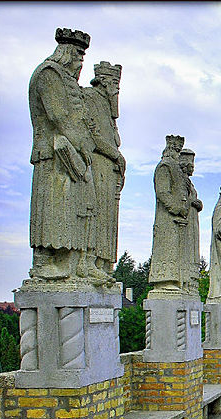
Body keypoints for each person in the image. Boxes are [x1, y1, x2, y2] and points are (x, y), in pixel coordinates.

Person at [28, 27, 101, 282]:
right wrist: (82, 144)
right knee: (55, 209)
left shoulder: (68, 79)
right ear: (67, 51)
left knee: (79, 210)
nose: (81, 61)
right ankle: (46, 261)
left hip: (75, 155)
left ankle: (77, 261)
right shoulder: (49, 73)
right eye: (79, 55)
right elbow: (59, 116)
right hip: (55, 154)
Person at [83, 60, 124, 279]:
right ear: (104, 81)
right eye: (115, 85)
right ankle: (89, 260)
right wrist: (115, 154)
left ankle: (103, 263)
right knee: (94, 213)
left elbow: (114, 139)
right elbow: (92, 135)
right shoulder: (89, 97)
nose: (117, 91)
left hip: (108, 172)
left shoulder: (108, 110)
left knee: (107, 218)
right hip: (96, 166)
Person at [148, 135, 188, 292]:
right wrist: (177, 208)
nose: (177, 154)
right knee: (166, 249)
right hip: (167, 218)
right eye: (176, 150)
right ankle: (163, 281)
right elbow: (163, 192)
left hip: (177, 219)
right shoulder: (164, 166)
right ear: (169, 149)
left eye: (179, 151)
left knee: (175, 250)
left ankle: (173, 280)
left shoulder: (175, 169)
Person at [179, 148, 203, 293]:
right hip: (184, 220)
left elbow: (193, 200)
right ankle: (184, 281)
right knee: (185, 251)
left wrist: (197, 203)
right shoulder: (181, 181)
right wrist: (192, 202)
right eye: (191, 166)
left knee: (192, 251)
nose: (193, 169)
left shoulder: (190, 184)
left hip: (192, 222)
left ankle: (191, 283)